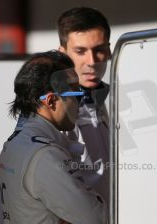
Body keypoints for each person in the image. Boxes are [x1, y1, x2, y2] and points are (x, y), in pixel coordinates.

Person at [0, 50, 107, 224]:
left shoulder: (14, 143)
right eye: (76, 93)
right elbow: (100, 221)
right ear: (51, 101)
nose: (80, 101)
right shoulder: (45, 156)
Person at [57, 6, 111, 207]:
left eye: (99, 50)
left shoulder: (117, 99)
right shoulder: (51, 109)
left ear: (109, 50)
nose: (91, 61)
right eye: (80, 51)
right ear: (62, 55)